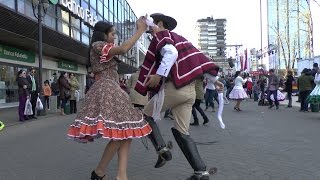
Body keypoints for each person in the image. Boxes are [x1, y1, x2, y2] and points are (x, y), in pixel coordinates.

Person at [134, 13, 223, 179]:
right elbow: (198, 60)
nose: (151, 34)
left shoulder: (163, 36)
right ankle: (201, 172)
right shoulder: (181, 39)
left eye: (150, 29)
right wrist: (215, 80)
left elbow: (171, 53)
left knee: (144, 116)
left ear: (159, 23)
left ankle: (162, 150)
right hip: (189, 92)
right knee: (182, 132)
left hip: (175, 88)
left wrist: (159, 75)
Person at [67, 18, 152, 180]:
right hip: (107, 89)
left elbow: (121, 50)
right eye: (112, 33)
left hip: (113, 89)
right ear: (103, 34)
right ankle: (101, 172)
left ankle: (120, 175)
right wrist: (140, 31)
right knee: (121, 133)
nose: (114, 36)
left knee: (126, 133)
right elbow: (124, 49)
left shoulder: (103, 48)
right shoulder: (97, 45)